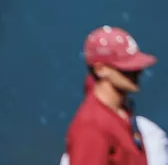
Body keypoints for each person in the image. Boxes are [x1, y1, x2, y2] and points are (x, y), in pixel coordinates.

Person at [65, 26, 156, 165]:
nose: (137, 72)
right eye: (126, 67)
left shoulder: (122, 113)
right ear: (100, 69)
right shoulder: (92, 125)